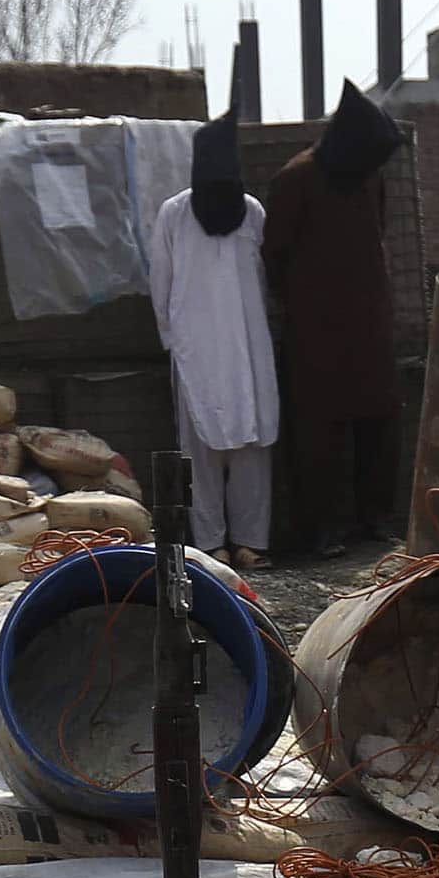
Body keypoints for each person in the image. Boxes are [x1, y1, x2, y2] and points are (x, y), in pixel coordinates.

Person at [264, 82, 403, 558]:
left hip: (369, 319)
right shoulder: (295, 179)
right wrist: (303, 304)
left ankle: (375, 518)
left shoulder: (368, 177)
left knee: (379, 423)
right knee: (316, 434)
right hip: (316, 327)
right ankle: (318, 530)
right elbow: (275, 255)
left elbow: (376, 232)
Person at [148, 113, 277, 571]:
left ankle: (250, 541)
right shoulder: (174, 213)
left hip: (248, 345)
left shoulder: (253, 211)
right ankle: (211, 543)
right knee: (200, 451)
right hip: (195, 348)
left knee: (252, 447)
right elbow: (160, 282)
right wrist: (173, 341)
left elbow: (261, 281)